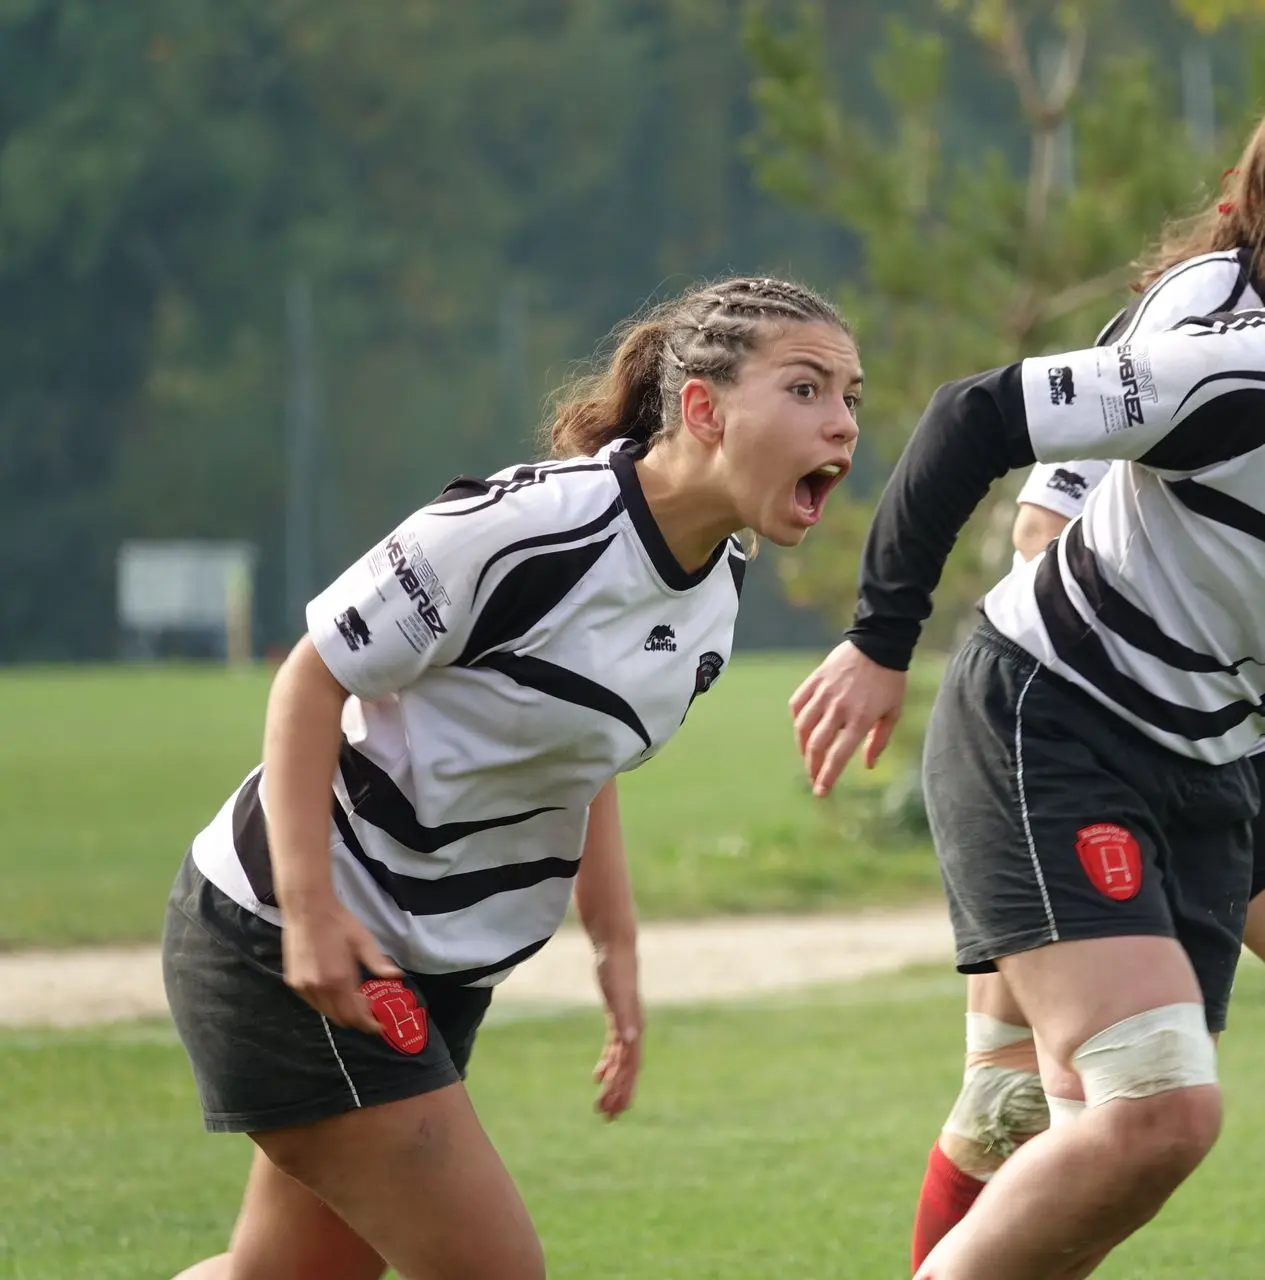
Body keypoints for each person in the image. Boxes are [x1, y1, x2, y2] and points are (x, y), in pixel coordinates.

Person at [162, 274, 863, 1280]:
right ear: (702, 409)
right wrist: (311, 915)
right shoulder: (530, 528)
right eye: (804, 389)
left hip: (436, 965)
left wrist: (616, 947)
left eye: (848, 397)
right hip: (289, 932)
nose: (841, 424)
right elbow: (311, 676)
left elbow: (583, 752)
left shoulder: (718, 579)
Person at [790, 261, 1265, 1271]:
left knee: (1052, 1123)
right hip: (1061, 720)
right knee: (1149, 1109)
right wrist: (880, 640)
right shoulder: (1225, 350)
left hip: (1219, 753)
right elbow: (978, 422)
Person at [904, 124, 1265, 1272]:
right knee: (1107, 1106)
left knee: (1050, 1112)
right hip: (1076, 712)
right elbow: (1043, 514)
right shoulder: (1202, 322)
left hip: (1213, 730)